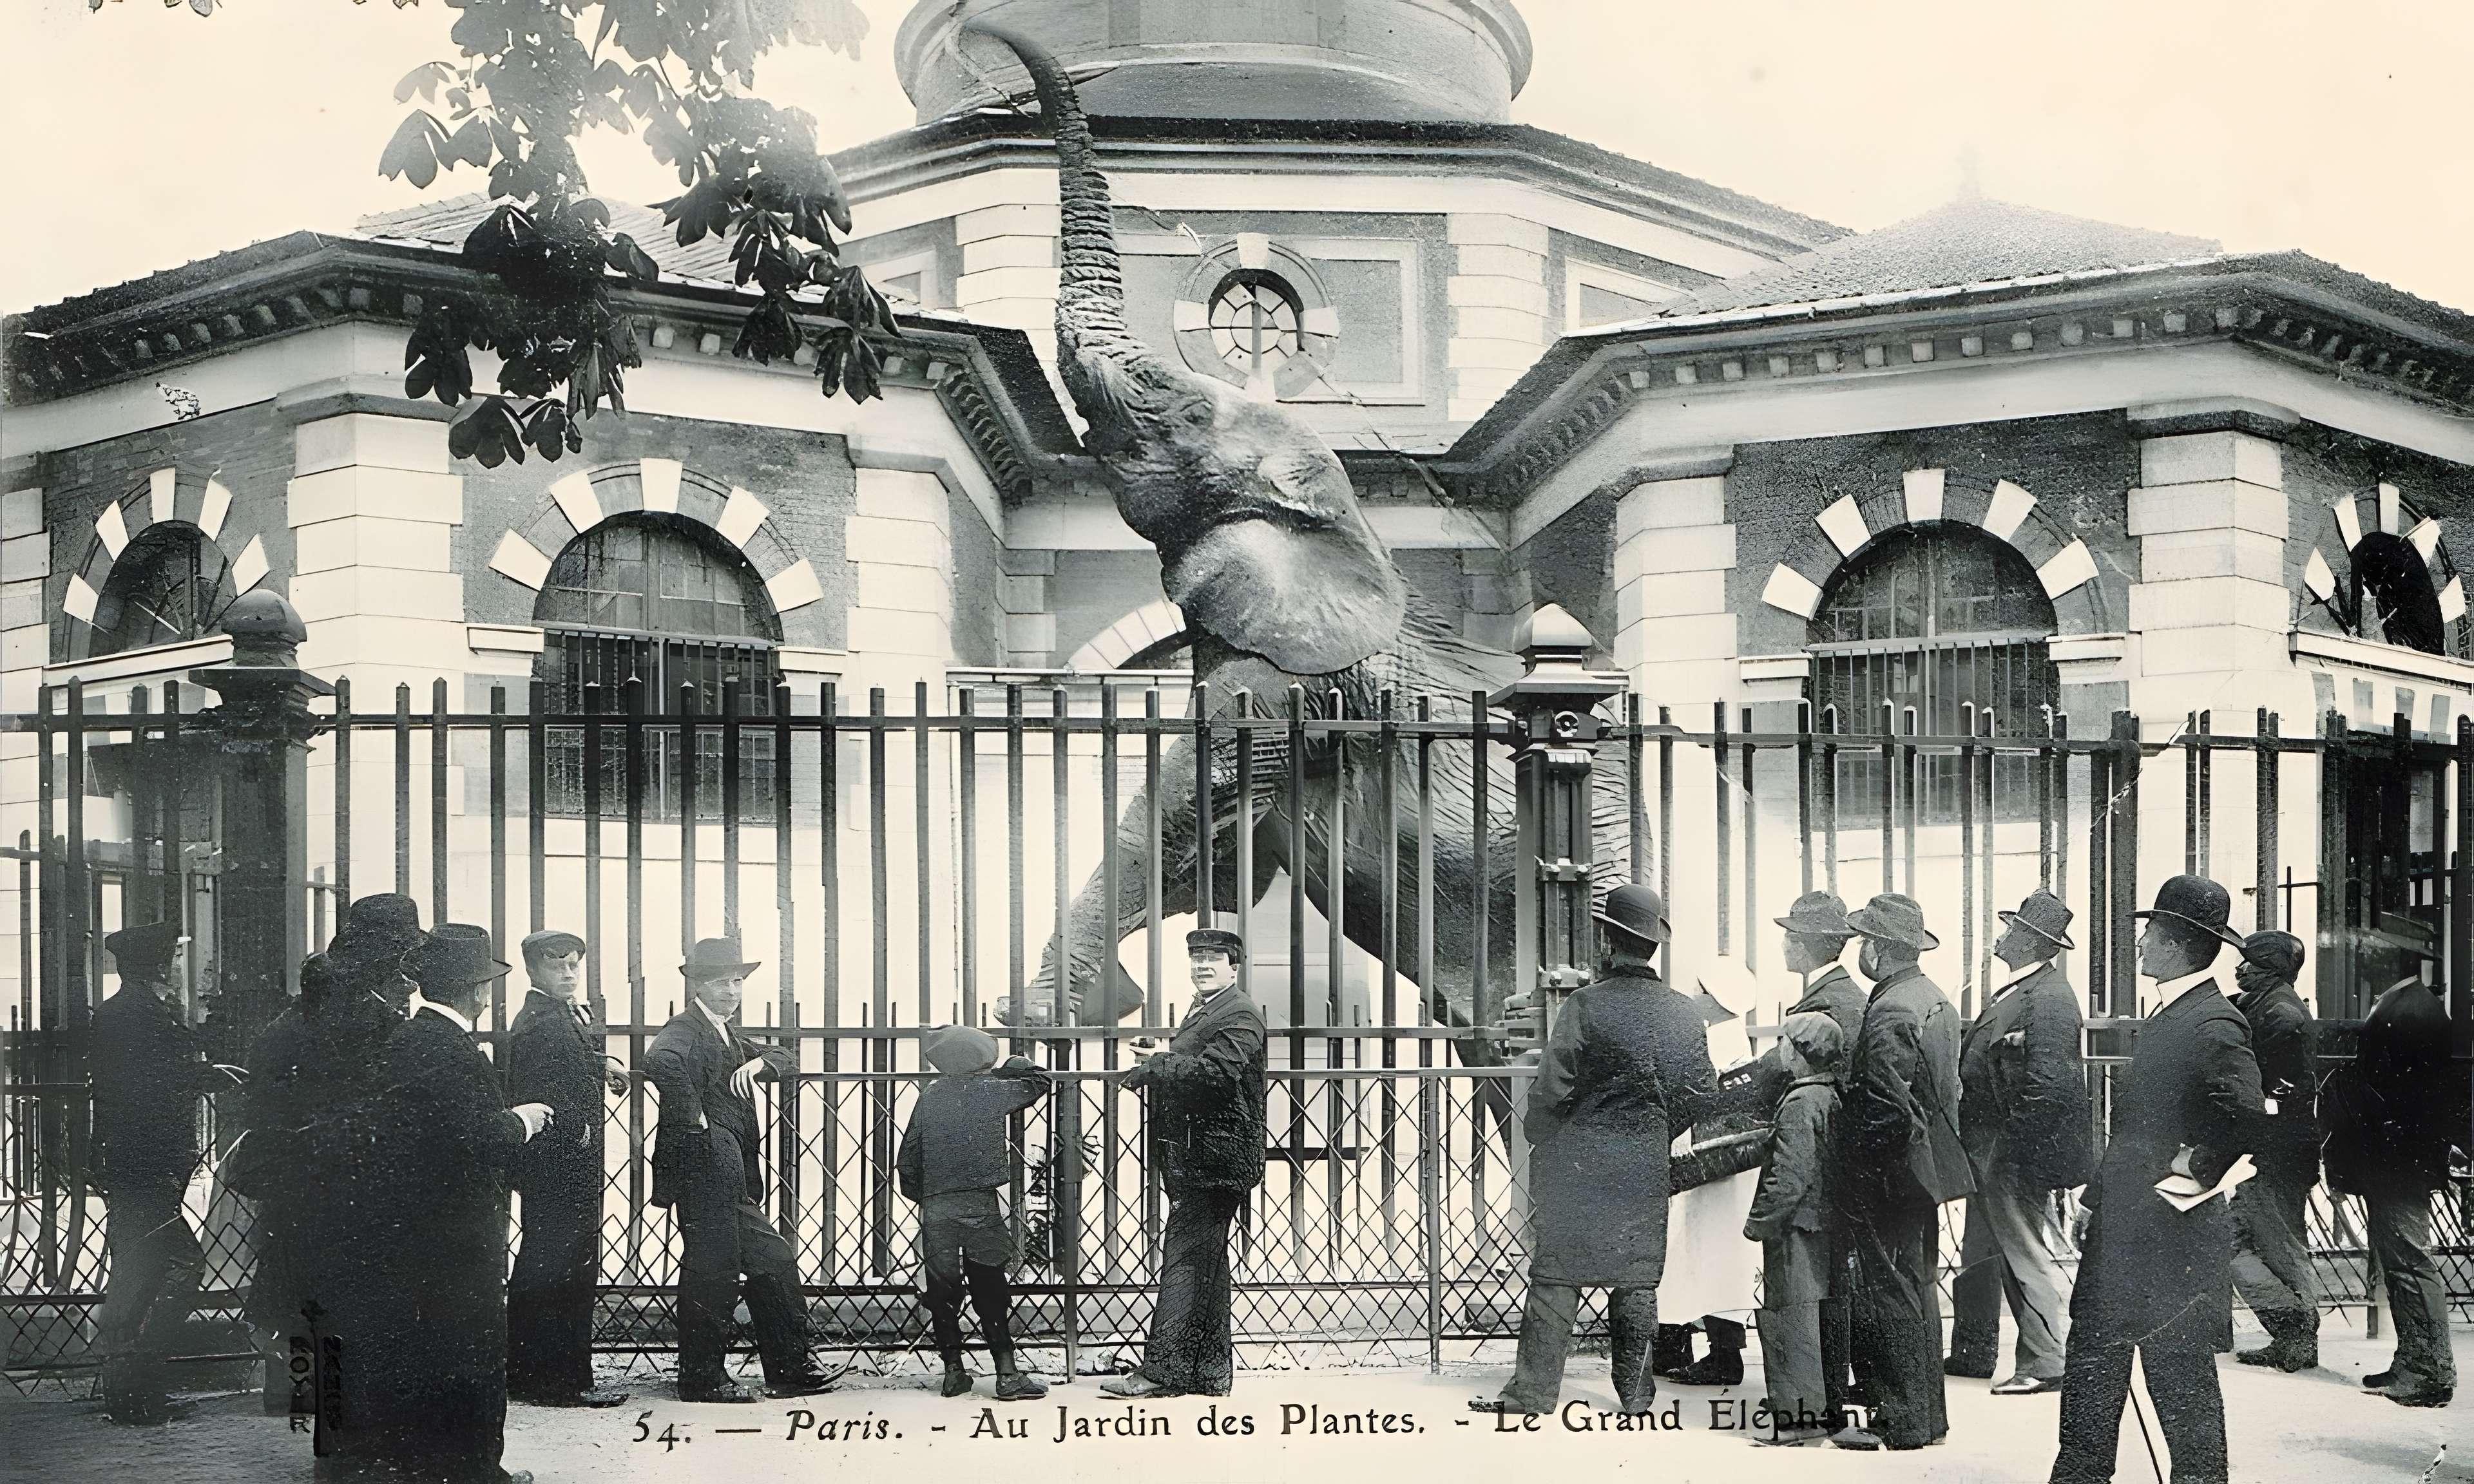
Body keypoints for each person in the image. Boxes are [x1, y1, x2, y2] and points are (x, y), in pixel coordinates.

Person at [1470, 884, 1717, 1417]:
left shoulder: (1586, 1005)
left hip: (1579, 1163)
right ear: (1651, 947)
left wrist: (1544, 1135)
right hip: (1643, 1166)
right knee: (1636, 1280)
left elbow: (1551, 1089)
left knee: (1557, 1277)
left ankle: (1531, 1396)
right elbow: (1701, 1092)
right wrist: (1656, 1131)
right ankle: (1636, 1397)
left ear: (1608, 941)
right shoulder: (1681, 1012)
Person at [2048, 875, 2263, 1484]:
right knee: (2099, 1354)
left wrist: (2196, 1167)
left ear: (2172, 945)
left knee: (2175, 1368)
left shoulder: (2213, 1023)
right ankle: (2082, 1475)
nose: (2140, 944)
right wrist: (2097, 1197)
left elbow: (2247, 1116)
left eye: (2149, 934)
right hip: (2131, 1222)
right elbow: (2140, 1130)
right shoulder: (2180, 1013)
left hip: (2168, 1233)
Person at [357, 925, 556, 1483]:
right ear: (476, 992)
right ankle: (475, 1470)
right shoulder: (448, 1047)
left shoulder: (410, 1038)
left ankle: (432, 1463)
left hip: (420, 1225)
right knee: (472, 1350)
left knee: (431, 1347)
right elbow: (470, 1134)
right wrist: (523, 1120)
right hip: (461, 1227)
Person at [644, 937, 842, 1403]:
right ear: (697, 984)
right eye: (720, 982)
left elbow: (786, 1057)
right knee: (712, 1270)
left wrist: (758, 1063)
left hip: (728, 1171)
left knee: (772, 1259)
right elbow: (660, 1060)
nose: (731, 991)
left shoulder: (722, 1031)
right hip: (704, 1164)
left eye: (736, 981)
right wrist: (693, 1116)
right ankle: (701, 1378)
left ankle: (789, 1368)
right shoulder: (688, 1027)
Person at [1105, 926, 1268, 1399]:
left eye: (1214, 959)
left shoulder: (1240, 1011)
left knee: (1185, 1264)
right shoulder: (1210, 1008)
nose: (1203, 966)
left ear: (1234, 967)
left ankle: (1163, 1372)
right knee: (1206, 1270)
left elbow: (1218, 1075)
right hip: (1201, 1157)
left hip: (1217, 1160)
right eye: (1197, 959)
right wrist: (1155, 1062)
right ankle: (1209, 1374)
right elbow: (1197, 1063)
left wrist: (1159, 1062)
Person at [1835, 891, 1971, 1451]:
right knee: (1917, 1290)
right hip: (1924, 1171)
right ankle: (1927, 1416)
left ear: (1880, 949)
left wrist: (1859, 1167)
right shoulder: (1933, 997)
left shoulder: (1891, 1007)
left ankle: (1900, 1420)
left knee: (1889, 1293)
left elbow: (1885, 1106)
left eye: (1863, 941)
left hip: (1888, 1175)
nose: (1859, 952)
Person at [88, 920, 238, 1423]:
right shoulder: (135, 1016)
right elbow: (154, 1080)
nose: (178, 966)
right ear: (154, 964)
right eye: (173, 958)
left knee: (140, 1267)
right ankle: (138, 1391)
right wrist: (208, 1074)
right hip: (144, 1162)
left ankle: (135, 1395)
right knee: (175, 1265)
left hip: (139, 1162)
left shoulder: (132, 1012)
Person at [1948, 889, 2093, 1396]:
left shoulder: (2049, 998)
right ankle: (1973, 1351)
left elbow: (2051, 1088)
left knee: (2021, 1251)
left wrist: (2013, 1153)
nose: (2001, 934)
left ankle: (2047, 1361)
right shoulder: (2021, 991)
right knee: (1983, 1253)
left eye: (2010, 928)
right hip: (1989, 1148)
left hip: (2010, 1154)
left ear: (2031, 941)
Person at [504, 929, 629, 1409]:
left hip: (568, 1161)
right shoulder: (539, 1021)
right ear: (533, 970)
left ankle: (539, 1374)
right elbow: (535, 1087)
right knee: (559, 1266)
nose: (570, 972)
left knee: (556, 1261)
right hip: (559, 1160)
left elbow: (569, 1061)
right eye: (557, 964)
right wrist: (576, 1127)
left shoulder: (559, 1014)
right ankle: (556, 1381)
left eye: (575, 962)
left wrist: (602, 1065)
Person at [2323, 964, 2459, 1407]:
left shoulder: (2410, 1009)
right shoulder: (2413, 1005)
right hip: (2401, 1160)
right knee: (2402, 1262)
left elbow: (2409, 1091)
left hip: (2400, 1162)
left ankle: (2432, 1373)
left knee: (2410, 1263)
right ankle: (2415, 1361)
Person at [897, 1023, 1055, 1400]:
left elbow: (907, 1159)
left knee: (942, 1289)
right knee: (990, 1286)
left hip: (936, 1208)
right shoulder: (990, 1092)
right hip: (980, 1205)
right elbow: (1038, 1082)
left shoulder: (930, 1096)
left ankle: (954, 1373)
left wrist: (927, 1196)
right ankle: (1007, 1375)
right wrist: (1014, 1064)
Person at [1656, 960, 1763, 1389]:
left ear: (1715, 1002)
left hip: (1703, 1169)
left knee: (1699, 1256)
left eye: (1700, 989)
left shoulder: (1709, 1043)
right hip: (1721, 1170)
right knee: (1711, 1257)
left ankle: (1717, 1355)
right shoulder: (1732, 1040)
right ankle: (1702, 1348)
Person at [2223, 930, 2319, 1373]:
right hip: (2274, 1148)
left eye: (2248, 964)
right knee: (2243, 1240)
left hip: (2275, 1150)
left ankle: (2297, 1334)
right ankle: (2293, 1331)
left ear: (2270, 969)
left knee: (2278, 1244)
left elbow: (2270, 1083)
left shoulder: (2280, 1013)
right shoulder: (2265, 1004)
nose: (2239, 969)